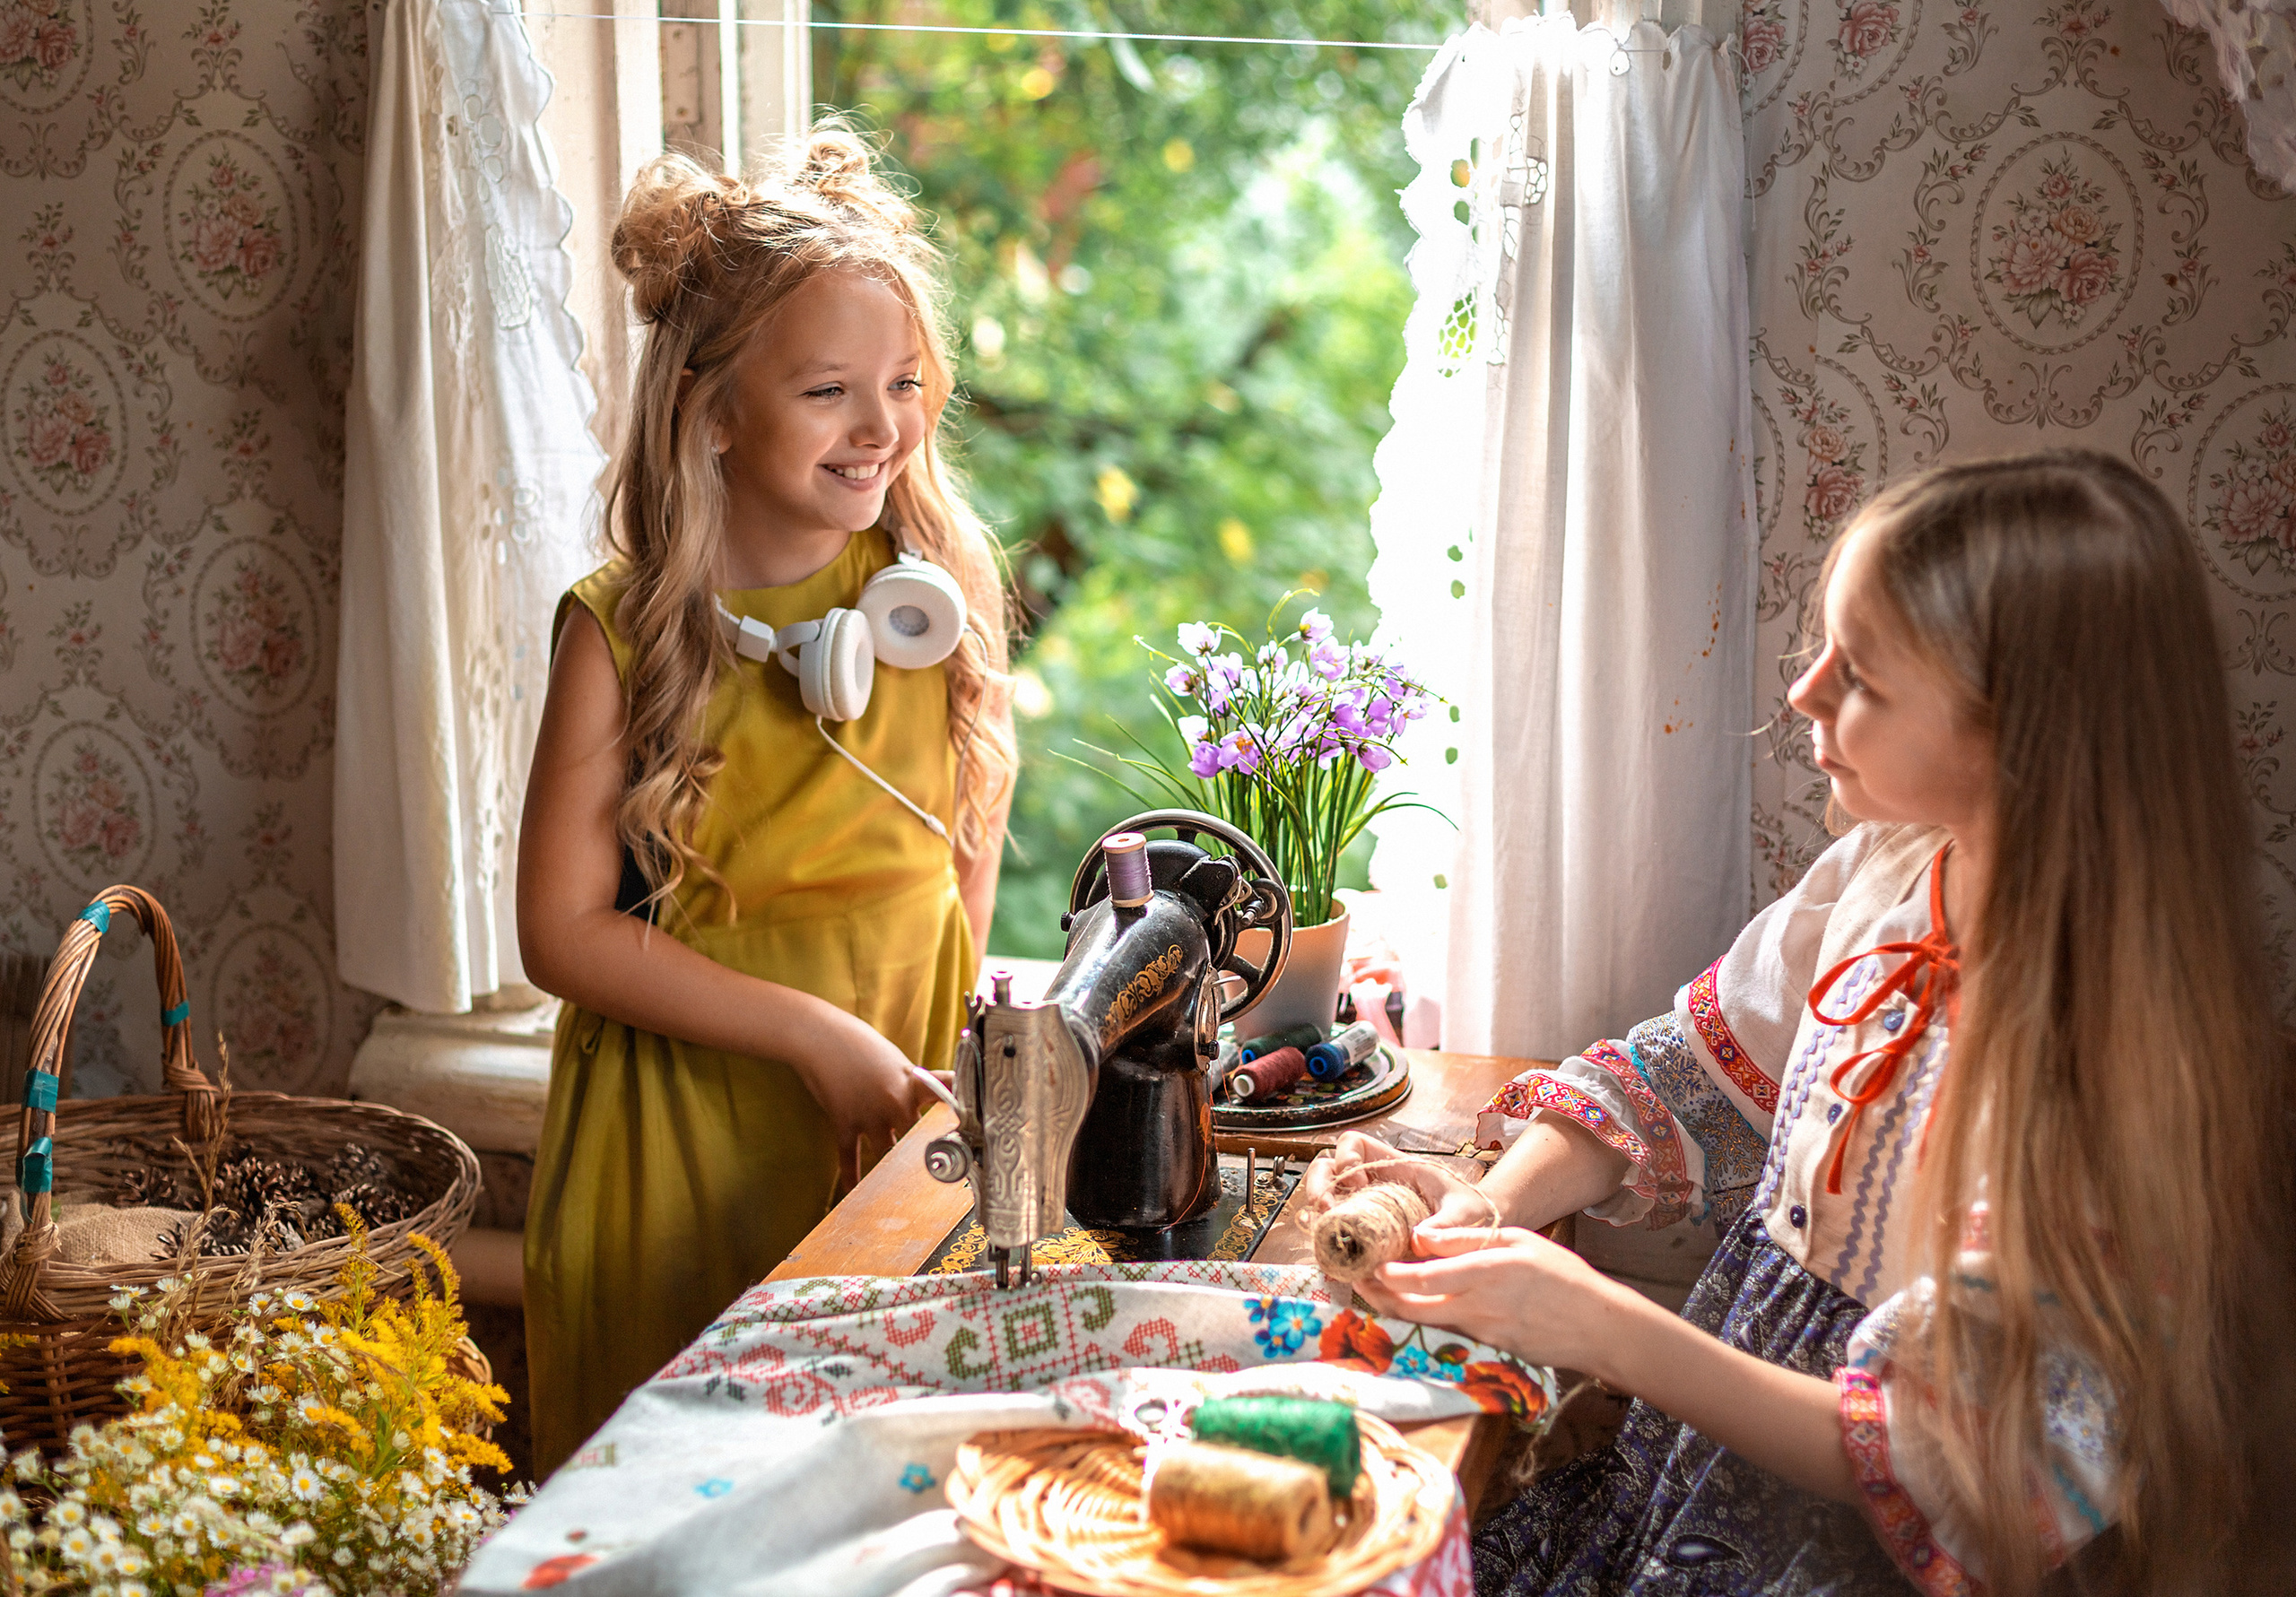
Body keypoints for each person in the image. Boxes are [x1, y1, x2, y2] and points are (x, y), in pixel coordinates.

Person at [1301, 450, 2295, 1594]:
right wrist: (1490, 1202)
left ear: (2017, 730)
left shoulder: (2102, 1070)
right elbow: (1668, 1081)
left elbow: (1946, 1456)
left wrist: (1600, 1326)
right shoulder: (1881, 873)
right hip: (1694, 1470)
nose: (1802, 693)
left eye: (1860, 675)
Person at [516, 123, 1014, 1477]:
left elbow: (970, 811)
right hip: (681, 1152)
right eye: (829, 392)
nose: (883, 428)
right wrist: (810, 1033)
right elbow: (559, 935)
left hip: (894, 1128)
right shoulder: (618, 634)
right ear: (714, 408)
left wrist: (951, 1002)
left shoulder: (926, 597)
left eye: (906, 383)